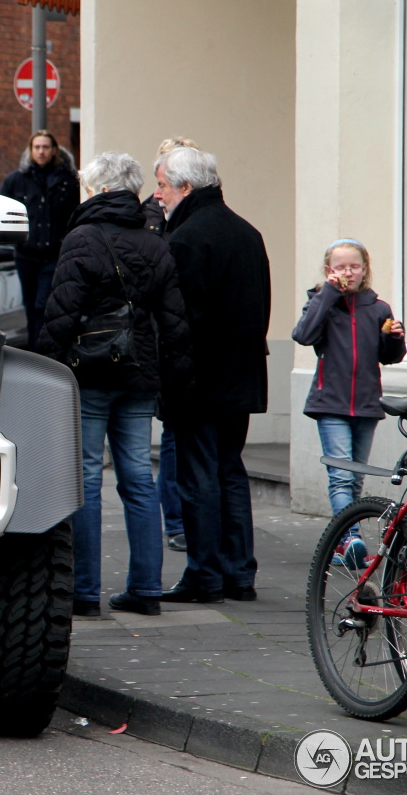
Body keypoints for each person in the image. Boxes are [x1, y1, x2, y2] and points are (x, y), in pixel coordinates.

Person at [37, 152, 192, 617]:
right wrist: (176, 380)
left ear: (100, 190)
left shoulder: (82, 237)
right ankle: (146, 589)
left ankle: (84, 592)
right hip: (140, 376)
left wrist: (42, 370)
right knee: (139, 480)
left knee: (85, 478)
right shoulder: (154, 241)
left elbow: (61, 313)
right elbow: (174, 321)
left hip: (92, 374)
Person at [156, 147, 271, 605]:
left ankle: (204, 574)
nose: (158, 194)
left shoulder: (186, 238)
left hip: (200, 380)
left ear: (185, 187)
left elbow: (180, 322)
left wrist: (173, 378)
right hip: (241, 374)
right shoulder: (247, 232)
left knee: (199, 476)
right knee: (229, 472)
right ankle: (239, 574)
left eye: (163, 184)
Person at [292, 239, 406, 554]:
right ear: (329, 271)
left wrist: (394, 338)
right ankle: (350, 538)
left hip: (367, 404)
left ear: (364, 269)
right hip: (330, 403)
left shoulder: (378, 308)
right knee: (341, 476)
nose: (348, 272)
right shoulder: (321, 302)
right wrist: (328, 294)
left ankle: (344, 545)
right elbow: (303, 335)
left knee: (355, 479)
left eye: (354, 266)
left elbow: (390, 358)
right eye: (340, 267)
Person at [144, 136, 198, 553]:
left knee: (179, 443)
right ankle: (175, 521)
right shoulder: (153, 218)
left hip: (180, 347)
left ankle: (182, 520)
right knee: (173, 443)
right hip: (165, 347)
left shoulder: (190, 219)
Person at [0, 130, 78, 349]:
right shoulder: (17, 179)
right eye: (37, 147)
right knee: (30, 304)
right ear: (30, 150)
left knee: (43, 305)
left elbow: (76, 216)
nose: (41, 152)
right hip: (26, 255)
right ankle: (35, 348)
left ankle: (42, 350)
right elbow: (1, 210)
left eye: (45, 147)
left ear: (54, 151)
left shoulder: (67, 181)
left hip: (54, 255)